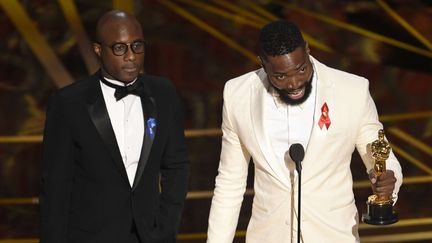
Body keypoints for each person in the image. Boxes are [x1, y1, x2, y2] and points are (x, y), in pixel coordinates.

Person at [207, 20, 402, 243]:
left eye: (301, 69)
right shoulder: (237, 95)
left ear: (308, 50)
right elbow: (230, 182)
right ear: (261, 63)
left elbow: (381, 157)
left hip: (333, 235)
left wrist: (388, 181)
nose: (294, 83)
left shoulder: (352, 90)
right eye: (281, 76)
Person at [39, 10, 189, 243]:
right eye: (120, 48)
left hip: (150, 235)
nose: (131, 56)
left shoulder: (163, 93)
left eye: (137, 46)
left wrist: (166, 229)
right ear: (98, 50)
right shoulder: (68, 103)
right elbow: (56, 187)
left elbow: (176, 166)